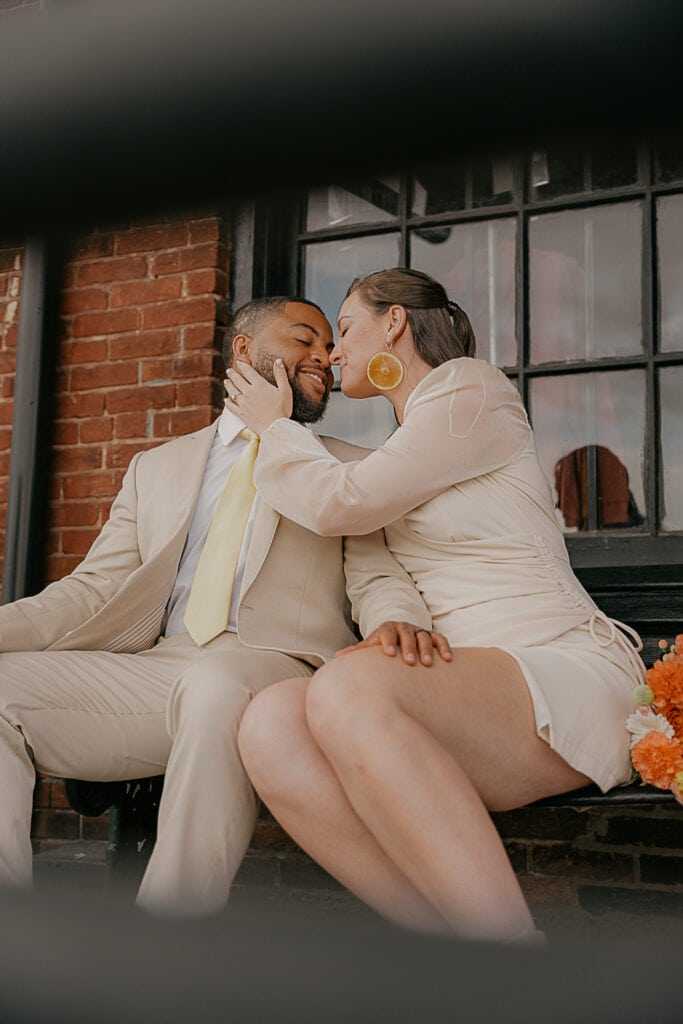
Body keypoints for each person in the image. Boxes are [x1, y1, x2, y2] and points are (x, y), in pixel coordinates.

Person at [227, 268, 646, 943]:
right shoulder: (400, 448)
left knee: (343, 689)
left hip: (559, 670)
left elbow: (342, 505)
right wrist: (399, 619)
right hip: (465, 682)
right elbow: (382, 557)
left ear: (394, 322)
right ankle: (448, 953)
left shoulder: (469, 391)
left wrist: (276, 430)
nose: (333, 354)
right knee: (269, 723)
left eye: (345, 329)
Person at [0, 295, 440, 916]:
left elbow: (375, 574)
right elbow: (92, 589)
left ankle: (166, 947)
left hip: (276, 664)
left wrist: (399, 619)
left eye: (328, 346)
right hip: (160, 668)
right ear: (242, 349)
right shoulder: (155, 467)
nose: (324, 356)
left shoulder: (345, 466)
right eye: (303, 340)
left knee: (214, 686)